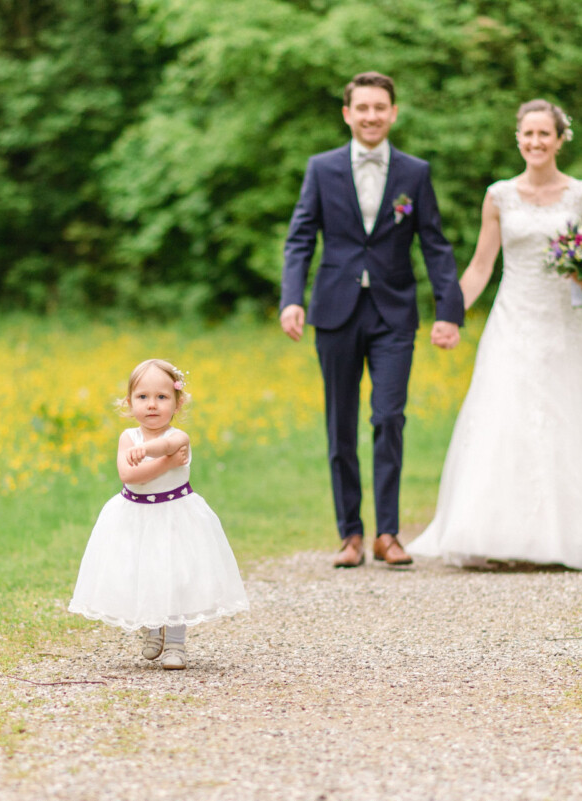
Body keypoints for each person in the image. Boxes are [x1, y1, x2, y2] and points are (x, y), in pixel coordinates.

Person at [409, 100, 582, 570]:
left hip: (563, 325)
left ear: (559, 139)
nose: (535, 142)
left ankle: (571, 535)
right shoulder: (498, 196)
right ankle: (496, 536)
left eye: (544, 134)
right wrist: (450, 314)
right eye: (528, 134)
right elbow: (481, 266)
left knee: (568, 418)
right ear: (518, 138)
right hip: (512, 322)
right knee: (504, 418)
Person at [280, 71, 465, 569]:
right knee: (340, 424)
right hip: (335, 311)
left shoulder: (415, 173)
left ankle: (387, 534)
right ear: (347, 113)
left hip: (393, 312)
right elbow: (300, 238)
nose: (371, 116)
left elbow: (435, 245)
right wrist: (291, 299)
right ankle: (350, 535)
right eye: (362, 107)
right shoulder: (321, 168)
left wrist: (449, 311)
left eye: (380, 107)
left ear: (393, 113)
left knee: (388, 417)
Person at [68, 359, 248, 669]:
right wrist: (165, 462)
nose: (152, 405)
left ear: (178, 403)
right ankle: (152, 630)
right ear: (129, 403)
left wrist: (151, 453)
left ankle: (176, 643)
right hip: (135, 518)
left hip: (175, 516)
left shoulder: (180, 437)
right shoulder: (128, 438)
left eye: (162, 397)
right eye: (143, 397)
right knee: (142, 573)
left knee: (176, 576)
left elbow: (168, 446)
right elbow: (129, 475)